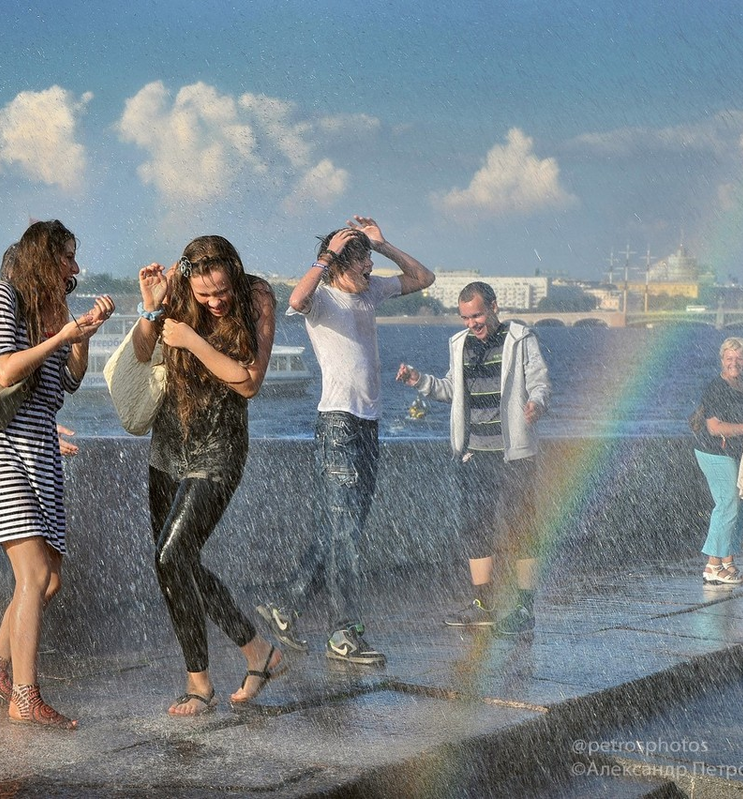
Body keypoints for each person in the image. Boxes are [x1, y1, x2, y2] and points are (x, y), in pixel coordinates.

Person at [257, 216, 435, 666]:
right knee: (346, 535)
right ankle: (343, 634)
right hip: (338, 424)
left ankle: (285, 606)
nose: (371, 270)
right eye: (364, 263)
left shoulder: (370, 293)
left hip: (368, 424)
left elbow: (423, 278)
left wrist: (382, 242)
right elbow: (294, 299)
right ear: (340, 264)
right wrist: (325, 258)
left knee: (341, 530)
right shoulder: (323, 298)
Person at [0, 220, 114, 729]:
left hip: (41, 454)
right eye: (67, 257)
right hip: (2, 453)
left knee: (49, 581)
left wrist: (82, 338)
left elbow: (67, 384)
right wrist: (63, 336)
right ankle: (25, 697)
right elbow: (5, 371)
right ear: (43, 257)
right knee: (32, 575)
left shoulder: (48, 308)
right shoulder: (1, 296)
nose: (75, 267)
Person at [132, 235, 285, 716]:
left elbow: (250, 381)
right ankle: (259, 652)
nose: (216, 301)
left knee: (173, 554)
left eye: (221, 291)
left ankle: (199, 684)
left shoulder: (257, 296)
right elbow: (141, 351)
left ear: (234, 273)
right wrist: (152, 308)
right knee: (176, 563)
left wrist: (193, 340)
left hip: (219, 449)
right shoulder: (175, 290)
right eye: (205, 296)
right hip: (168, 447)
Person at [396, 281, 550, 636]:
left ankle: (526, 606)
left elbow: (541, 382)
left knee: (522, 527)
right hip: (474, 454)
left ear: (494, 306)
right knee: (476, 527)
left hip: (514, 454)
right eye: (466, 317)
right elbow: (452, 390)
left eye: (477, 315)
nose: (472, 323)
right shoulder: (460, 344)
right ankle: (483, 604)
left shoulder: (520, 338)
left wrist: (537, 403)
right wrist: (419, 380)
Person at [692, 336, 743, 585]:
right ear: (722, 360)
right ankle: (713, 566)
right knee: (727, 505)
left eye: (739, 358)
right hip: (714, 452)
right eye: (729, 358)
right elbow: (714, 427)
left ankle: (728, 563)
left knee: (740, 506)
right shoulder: (716, 387)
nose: (734, 362)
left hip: (735, 453)